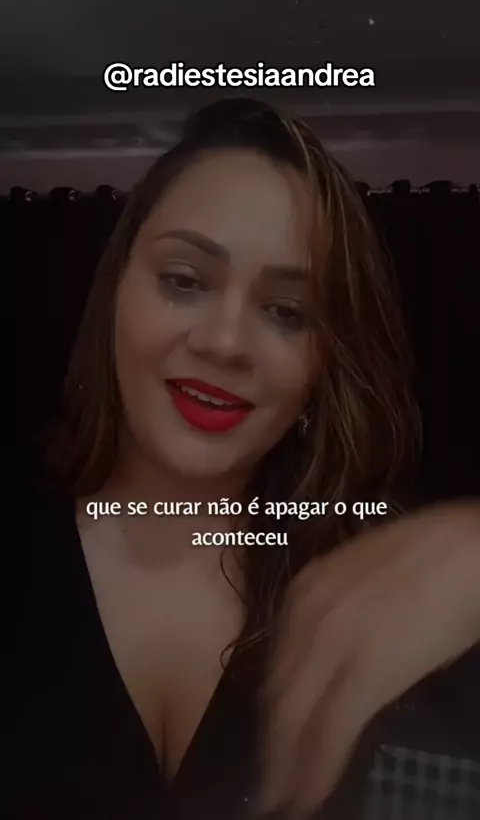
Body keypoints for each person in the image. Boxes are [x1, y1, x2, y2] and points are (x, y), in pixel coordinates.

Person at [12, 98, 480, 820]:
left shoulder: (378, 576)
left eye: (287, 312)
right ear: (116, 295)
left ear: (325, 364)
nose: (226, 343)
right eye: (184, 280)